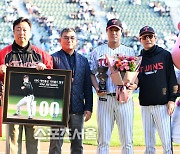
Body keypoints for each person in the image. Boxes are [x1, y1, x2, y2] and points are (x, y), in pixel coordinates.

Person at [0, 17, 53, 154]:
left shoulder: (40, 54)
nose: (21, 32)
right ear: (13, 32)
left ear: (30, 32)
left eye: (24, 30)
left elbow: (51, 76)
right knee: (12, 139)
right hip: (11, 101)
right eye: (18, 29)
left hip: (33, 100)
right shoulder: (4, 54)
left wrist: (45, 69)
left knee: (33, 139)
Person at [89, 18, 137, 154]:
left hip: (125, 100)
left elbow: (136, 76)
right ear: (106, 31)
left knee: (127, 141)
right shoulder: (97, 51)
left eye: (117, 30)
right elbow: (91, 73)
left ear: (121, 32)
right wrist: (96, 87)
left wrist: (134, 85)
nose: (114, 33)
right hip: (105, 98)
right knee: (103, 141)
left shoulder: (130, 52)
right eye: (111, 30)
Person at [48, 28, 93, 154]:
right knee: (55, 145)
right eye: (66, 37)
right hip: (58, 109)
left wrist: (88, 107)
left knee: (77, 145)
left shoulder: (83, 60)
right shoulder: (53, 59)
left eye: (72, 37)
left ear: (77, 41)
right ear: (60, 40)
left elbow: (87, 86)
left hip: (77, 108)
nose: (69, 40)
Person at [137, 26, 178, 154]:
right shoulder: (138, 59)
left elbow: (172, 78)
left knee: (166, 143)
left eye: (150, 36)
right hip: (145, 105)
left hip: (162, 105)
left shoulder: (165, 55)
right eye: (145, 37)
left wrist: (172, 99)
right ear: (140, 40)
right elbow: (137, 80)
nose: (148, 39)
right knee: (149, 144)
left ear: (155, 38)